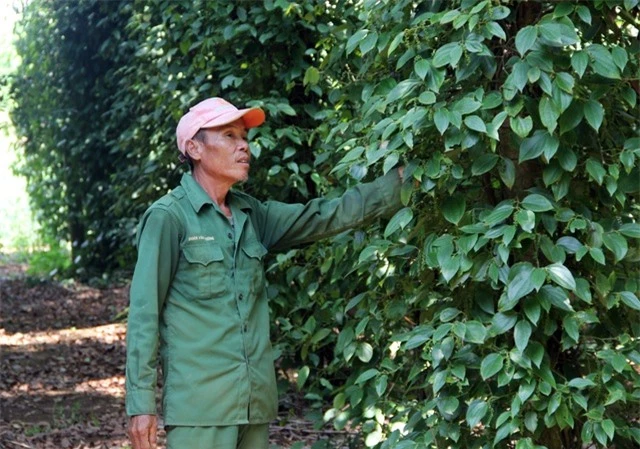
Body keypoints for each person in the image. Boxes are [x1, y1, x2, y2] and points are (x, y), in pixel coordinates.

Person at [125, 97, 405, 449]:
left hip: (255, 406)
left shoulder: (250, 214)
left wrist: (404, 181)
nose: (243, 145)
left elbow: (325, 215)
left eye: (244, 136)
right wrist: (141, 406)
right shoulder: (168, 218)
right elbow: (144, 316)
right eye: (228, 135)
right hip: (200, 412)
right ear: (194, 148)